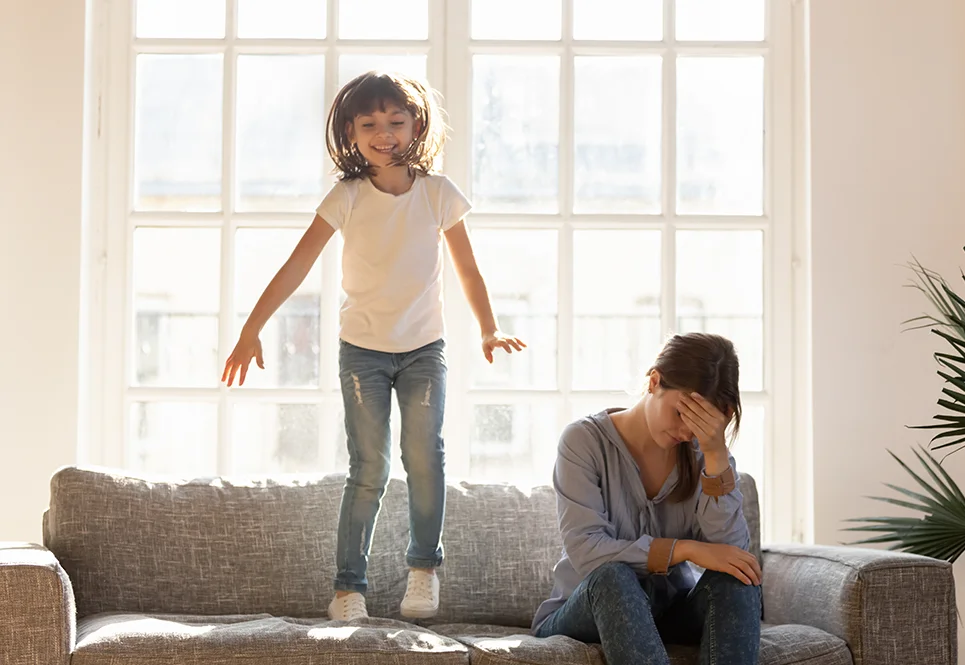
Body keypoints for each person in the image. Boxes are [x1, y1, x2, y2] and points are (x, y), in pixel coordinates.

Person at [221, 71, 525, 623]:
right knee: (370, 468)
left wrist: (487, 327)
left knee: (425, 459)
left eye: (395, 121)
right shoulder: (348, 197)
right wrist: (252, 328)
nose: (383, 133)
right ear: (351, 132)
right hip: (361, 351)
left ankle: (423, 570)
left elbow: (468, 267)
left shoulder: (437, 193)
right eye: (370, 124)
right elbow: (296, 265)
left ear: (416, 126)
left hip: (423, 351)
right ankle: (347, 588)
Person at [532, 332, 761, 665]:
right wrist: (686, 549)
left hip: (666, 613)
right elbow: (587, 552)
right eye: (682, 414)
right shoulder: (583, 441)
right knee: (614, 577)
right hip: (588, 610)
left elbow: (732, 553)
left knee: (737, 579)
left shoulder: (704, 455)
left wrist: (714, 454)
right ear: (654, 382)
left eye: (701, 423)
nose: (687, 432)